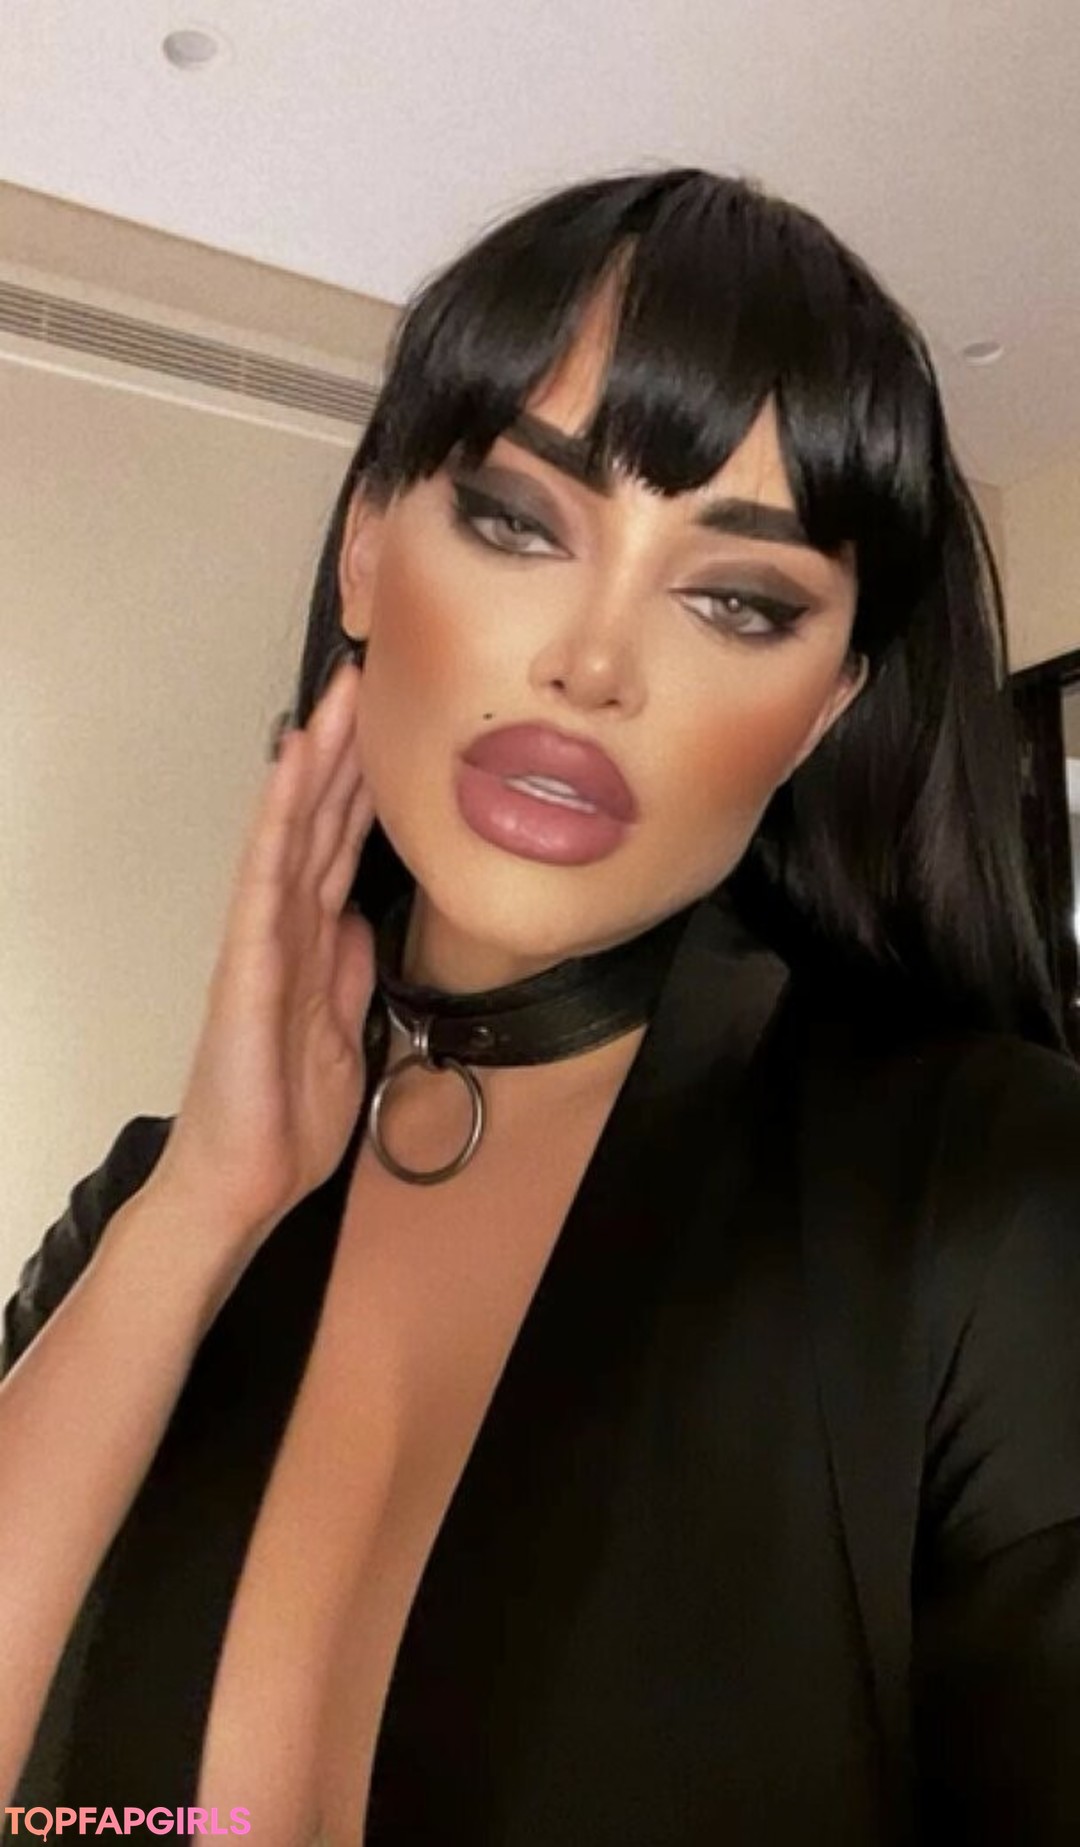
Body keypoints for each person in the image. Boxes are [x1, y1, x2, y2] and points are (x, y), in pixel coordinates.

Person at [2, 166, 1079, 1846]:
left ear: (823, 711)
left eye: (738, 600)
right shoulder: (140, 1216)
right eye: (518, 520)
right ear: (367, 550)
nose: (593, 662)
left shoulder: (987, 1201)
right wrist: (198, 1209)